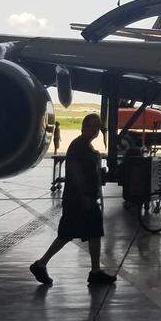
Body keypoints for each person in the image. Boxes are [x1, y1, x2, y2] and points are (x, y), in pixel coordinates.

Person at [30, 114, 116, 286]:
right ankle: (42, 264)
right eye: (91, 126)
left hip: (83, 198)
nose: (95, 130)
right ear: (83, 127)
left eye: (97, 127)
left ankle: (94, 271)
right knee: (71, 234)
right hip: (79, 200)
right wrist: (84, 196)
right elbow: (75, 173)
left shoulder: (86, 146)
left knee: (89, 233)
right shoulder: (78, 146)